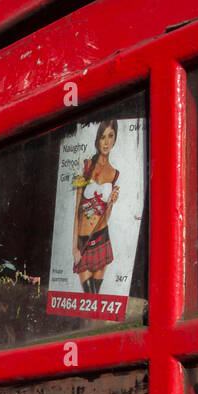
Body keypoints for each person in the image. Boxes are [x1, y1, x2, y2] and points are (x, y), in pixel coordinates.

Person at [72, 120, 121, 295]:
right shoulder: (87, 166)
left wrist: (111, 204)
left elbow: (105, 217)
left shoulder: (115, 174)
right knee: (88, 297)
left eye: (110, 136)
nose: (106, 142)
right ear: (97, 140)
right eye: (102, 137)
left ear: (115, 139)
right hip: (83, 241)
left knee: (95, 299)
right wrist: (75, 248)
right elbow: (77, 210)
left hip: (102, 239)